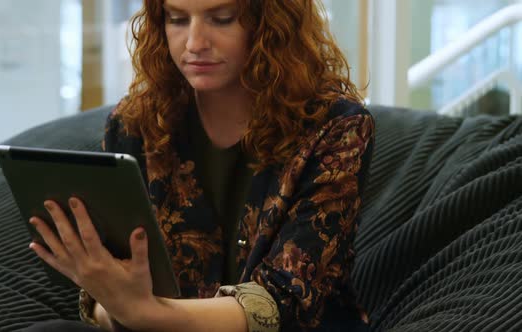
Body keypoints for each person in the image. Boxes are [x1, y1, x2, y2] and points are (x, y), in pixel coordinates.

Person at [23, 0, 374, 331]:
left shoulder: (336, 127)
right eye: (176, 19)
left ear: (271, 24)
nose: (194, 43)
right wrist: (114, 301)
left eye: (222, 18)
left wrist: (144, 313)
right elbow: (114, 294)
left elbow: (289, 300)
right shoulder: (137, 122)